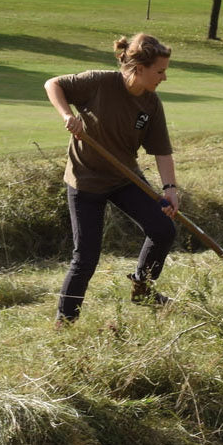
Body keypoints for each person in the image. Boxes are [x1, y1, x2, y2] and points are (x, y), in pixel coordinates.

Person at [44, 32, 179, 327]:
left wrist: (170, 189)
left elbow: (162, 151)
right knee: (86, 256)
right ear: (139, 69)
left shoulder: (151, 105)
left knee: (163, 228)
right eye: (160, 71)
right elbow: (53, 84)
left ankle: (142, 289)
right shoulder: (100, 82)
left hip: (124, 177)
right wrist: (67, 115)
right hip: (85, 181)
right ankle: (65, 323)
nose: (164, 78)